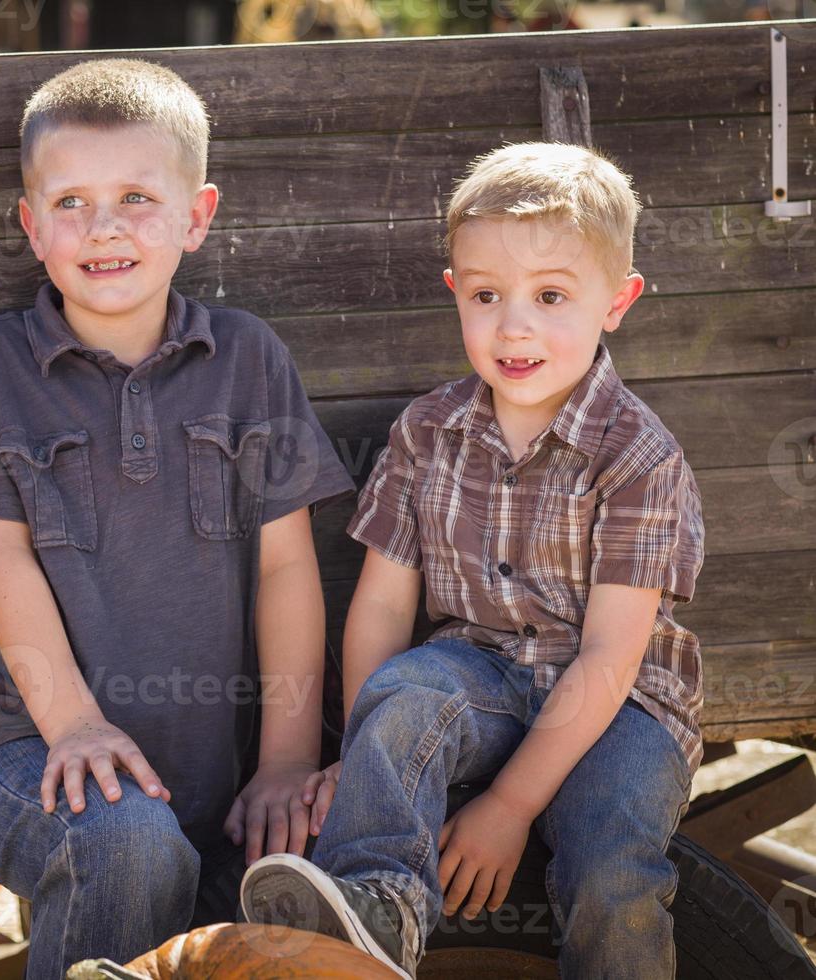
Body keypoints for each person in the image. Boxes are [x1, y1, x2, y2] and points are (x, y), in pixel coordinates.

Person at [0, 57, 357, 977]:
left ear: (197, 216)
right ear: (32, 227)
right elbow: (6, 568)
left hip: (219, 763)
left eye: (137, 198)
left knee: (330, 857)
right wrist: (73, 726)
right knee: (129, 845)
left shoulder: (247, 360)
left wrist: (282, 760)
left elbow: (285, 570)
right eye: (69, 202)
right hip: (25, 746)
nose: (102, 228)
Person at [239, 142, 705, 980]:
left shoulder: (639, 456)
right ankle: (376, 916)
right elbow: (383, 605)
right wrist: (366, 751)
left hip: (622, 702)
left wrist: (511, 805)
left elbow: (608, 655)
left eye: (551, 296)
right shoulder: (428, 432)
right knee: (407, 690)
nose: (514, 325)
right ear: (455, 290)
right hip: (479, 675)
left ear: (617, 301)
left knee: (612, 856)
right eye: (487, 295)